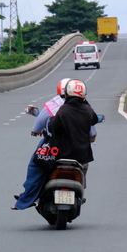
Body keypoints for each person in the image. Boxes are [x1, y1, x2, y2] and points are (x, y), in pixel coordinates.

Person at [12, 78, 97, 211]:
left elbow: (49, 127)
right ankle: (80, 192)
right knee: (84, 167)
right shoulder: (88, 109)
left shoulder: (59, 108)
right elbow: (93, 131)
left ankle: (28, 196)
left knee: (37, 164)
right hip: (82, 155)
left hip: (59, 151)